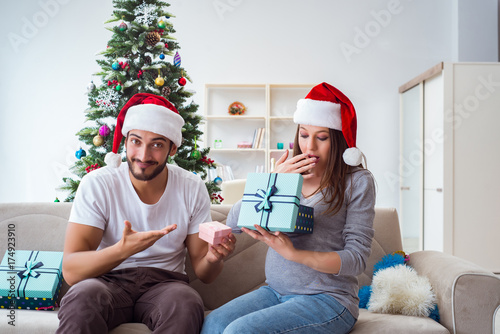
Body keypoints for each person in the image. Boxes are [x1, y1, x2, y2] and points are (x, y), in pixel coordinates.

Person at [201, 82, 376, 334]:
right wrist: (274, 180)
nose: (310, 147)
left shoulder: (357, 182)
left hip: (329, 299)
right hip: (275, 292)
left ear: (337, 140)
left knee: (239, 332)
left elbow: (356, 259)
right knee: (213, 325)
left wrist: (293, 253)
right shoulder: (286, 176)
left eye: (322, 137)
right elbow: (235, 222)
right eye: (304, 135)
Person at [57, 93, 236, 334]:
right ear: (125, 141)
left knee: (186, 302)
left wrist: (214, 259)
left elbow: (204, 274)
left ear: (172, 148)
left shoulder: (191, 187)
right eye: (136, 141)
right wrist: (123, 249)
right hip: (105, 281)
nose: (143, 155)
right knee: (81, 298)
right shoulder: (98, 184)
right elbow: (71, 270)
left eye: (157, 144)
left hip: (165, 285)